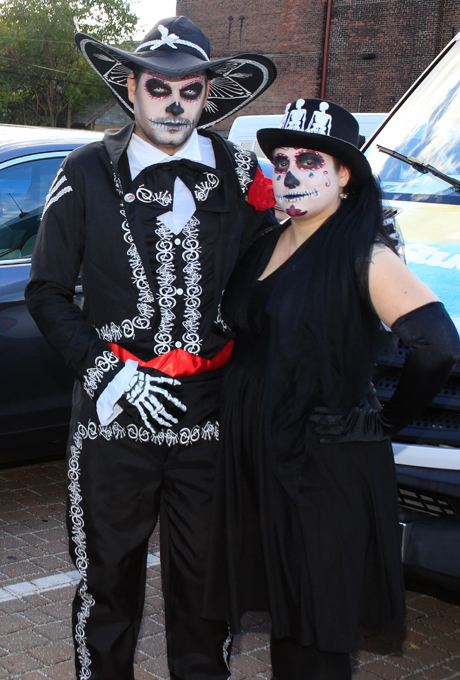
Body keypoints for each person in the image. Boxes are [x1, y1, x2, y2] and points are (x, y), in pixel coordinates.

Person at [25, 16, 277, 680]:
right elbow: (47, 292)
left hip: (212, 421)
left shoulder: (241, 172)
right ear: (131, 90)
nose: (173, 103)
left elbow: (279, 271)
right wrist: (110, 374)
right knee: (109, 590)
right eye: (158, 88)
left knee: (204, 595)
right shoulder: (84, 171)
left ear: (206, 97)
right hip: (114, 425)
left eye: (189, 90)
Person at [202, 99, 460, 680]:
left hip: (322, 467)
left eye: (309, 160)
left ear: (345, 175)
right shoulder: (267, 243)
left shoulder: (366, 256)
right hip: (260, 459)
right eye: (282, 159)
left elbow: (438, 347)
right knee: (287, 613)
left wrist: (385, 421)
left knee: (317, 625)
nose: (289, 173)